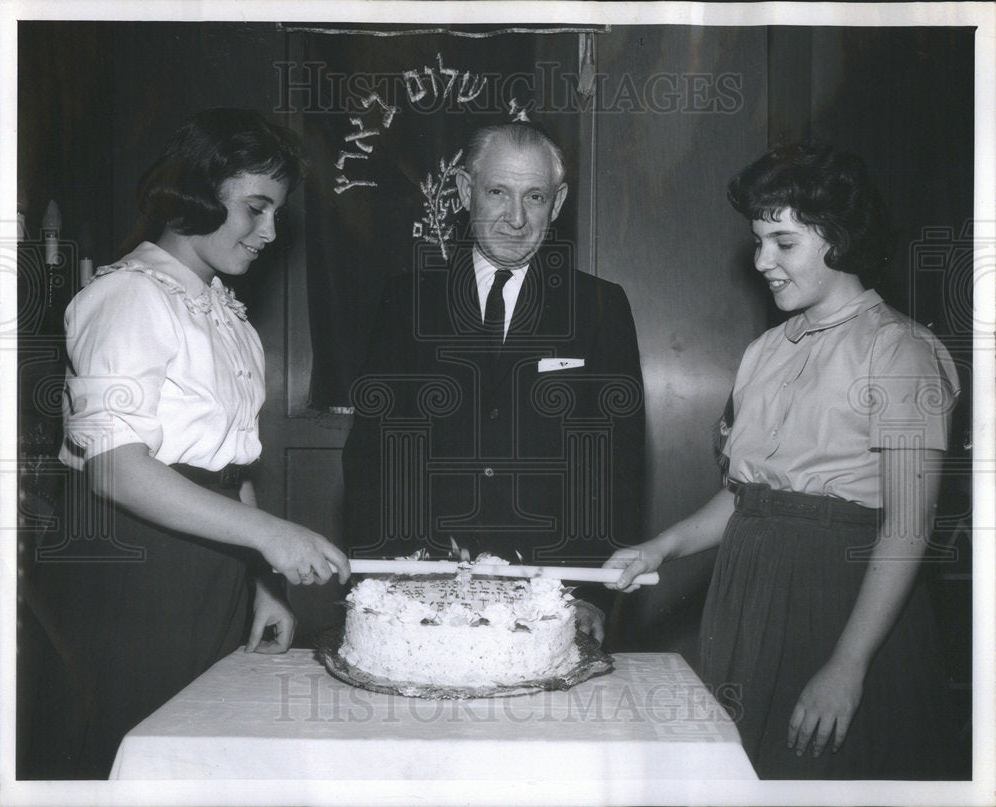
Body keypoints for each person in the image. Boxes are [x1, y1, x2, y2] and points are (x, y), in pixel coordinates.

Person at [604, 142, 961, 779]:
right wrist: (659, 548)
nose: (763, 260)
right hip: (749, 603)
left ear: (839, 240)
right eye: (758, 241)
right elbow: (747, 498)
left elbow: (909, 527)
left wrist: (848, 666)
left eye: (784, 242)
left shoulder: (901, 351)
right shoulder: (764, 351)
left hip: (842, 605)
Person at [25, 108, 350, 779]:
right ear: (199, 192)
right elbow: (116, 470)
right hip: (137, 576)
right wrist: (269, 535)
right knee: (132, 754)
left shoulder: (226, 315)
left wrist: (264, 583)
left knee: (200, 761)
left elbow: (230, 464)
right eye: (255, 208)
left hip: (211, 567)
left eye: (276, 214)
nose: (269, 232)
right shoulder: (126, 297)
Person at [343, 122, 645, 641]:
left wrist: (590, 592)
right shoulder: (405, 301)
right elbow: (372, 451)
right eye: (497, 193)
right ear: (464, 192)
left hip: (549, 590)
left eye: (535, 196)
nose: (516, 217)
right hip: (421, 584)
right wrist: (385, 576)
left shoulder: (600, 306)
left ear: (558, 201)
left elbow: (615, 462)